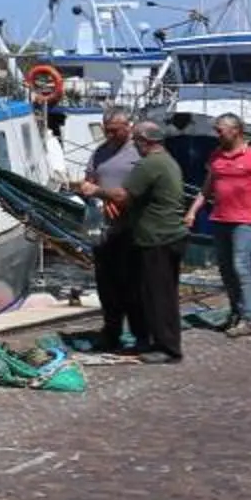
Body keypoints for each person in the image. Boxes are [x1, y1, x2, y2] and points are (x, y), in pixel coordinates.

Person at [184, 114, 251, 336]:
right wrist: (192, 211)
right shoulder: (216, 156)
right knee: (226, 270)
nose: (217, 134)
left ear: (236, 131)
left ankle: (249, 319)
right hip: (220, 220)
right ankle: (235, 311)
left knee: (241, 267)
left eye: (220, 130)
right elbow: (206, 189)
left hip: (244, 221)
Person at [111, 121, 187, 363]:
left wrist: (95, 191)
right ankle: (153, 341)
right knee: (156, 292)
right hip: (170, 236)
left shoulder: (149, 164)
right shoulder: (168, 160)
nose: (134, 145)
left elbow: (123, 196)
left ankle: (168, 348)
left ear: (145, 141)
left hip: (157, 238)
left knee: (159, 295)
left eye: (136, 140)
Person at [75, 108, 142, 350]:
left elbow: (145, 187)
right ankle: (111, 330)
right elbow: (88, 182)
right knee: (106, 281)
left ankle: (140, 333)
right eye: (107, 131)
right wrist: (95, 194)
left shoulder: (139, 151)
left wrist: (112, 197)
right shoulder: (100, 152)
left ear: (128, 127)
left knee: (132, 281)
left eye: (115, 131)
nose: (110, 135)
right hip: (102, 224)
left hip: (132, 224)